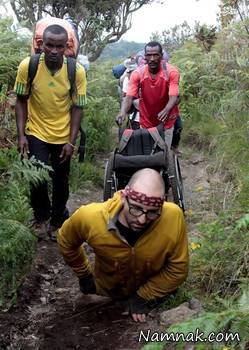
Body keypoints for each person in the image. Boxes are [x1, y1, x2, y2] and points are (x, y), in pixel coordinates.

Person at [57, 168, 189, 323]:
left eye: (152, 212)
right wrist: (84, 274)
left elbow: (178, 268)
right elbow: (66, 240)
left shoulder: (173, 217)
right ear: (123, 197)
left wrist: (144, 296)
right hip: (105, 291)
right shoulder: (90, 217)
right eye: (135, 208)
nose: (141, 220)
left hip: (151, 291)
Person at [14, 24, 87, 241]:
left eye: (59, 46)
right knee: (37, 177)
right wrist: (21, 135)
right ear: (41, 45)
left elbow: (77, 108)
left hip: (63, 134)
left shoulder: (76, 71)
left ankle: (57, 221)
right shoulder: (29, 66)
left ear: (66, 47)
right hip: (36, 131)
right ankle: (41, 216)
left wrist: (71, 142)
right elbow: (20, 100)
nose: (54, 51)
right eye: (49, 45)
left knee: (61, 180)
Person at [116, 41, 180, 151]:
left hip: (167, 120)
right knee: (146, 153)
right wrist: (122, 113)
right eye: (149, 55)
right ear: (145, 57)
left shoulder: (171, 72)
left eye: (155, 55)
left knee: (164, 154)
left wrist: (166, 110)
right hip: (146, 121)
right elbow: (129, 96)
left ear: (161, 56)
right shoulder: (138, 74)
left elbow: (174, 95)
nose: (152, 59)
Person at [121, 58, 140, 130]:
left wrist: (124, 112)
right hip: (138, 116)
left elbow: (124, 96)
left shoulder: (126, 78)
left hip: (134, 116)